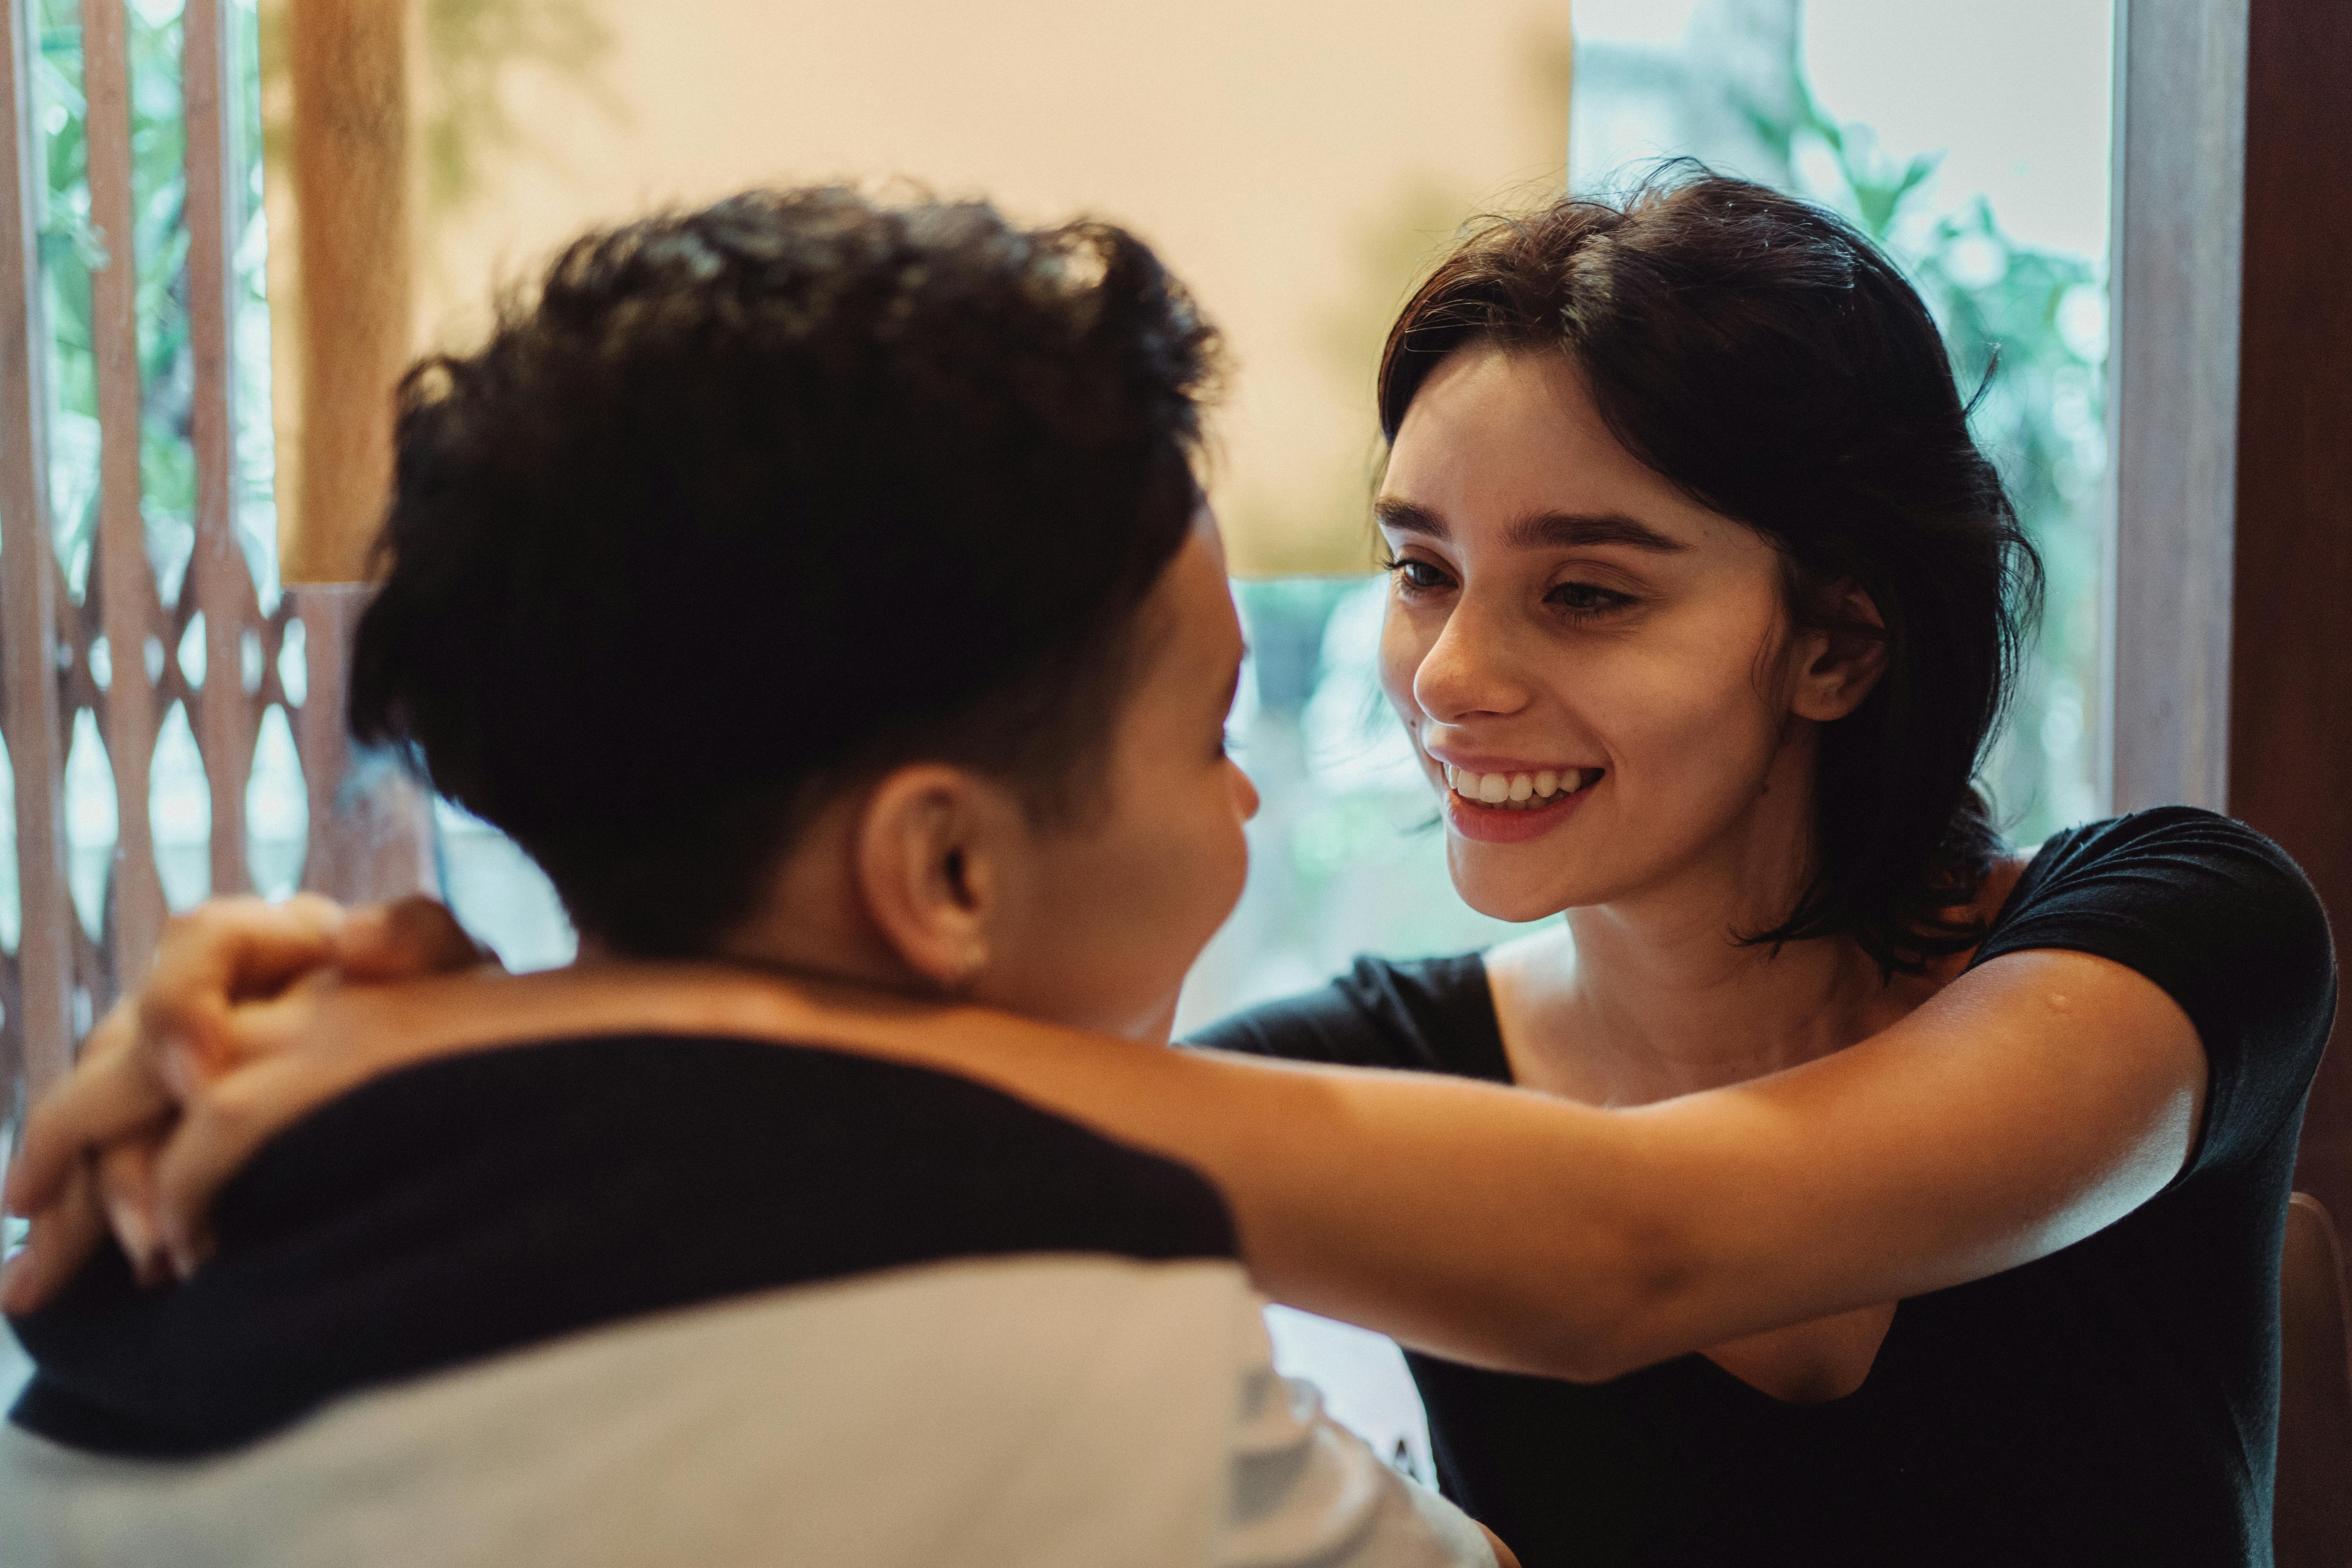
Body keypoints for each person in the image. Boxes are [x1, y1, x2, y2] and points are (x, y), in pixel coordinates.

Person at [10, 170, 2337, 1567]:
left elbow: (1643, 1245)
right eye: (1419, 569)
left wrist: (539, 1019)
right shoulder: (1336, 1105)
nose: (1445, 679)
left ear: (1837, 634)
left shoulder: (2173, 930)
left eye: (1590, 592)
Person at [0, 187, 1509, 1568]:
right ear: (950, 870)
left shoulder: (144, 1309)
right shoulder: (1076, 1372)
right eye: (1211, 734)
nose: (1246, 796)